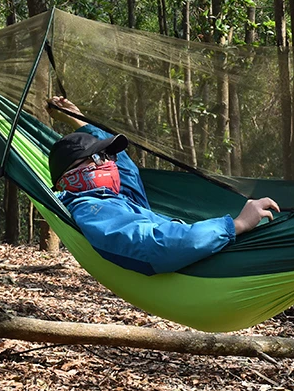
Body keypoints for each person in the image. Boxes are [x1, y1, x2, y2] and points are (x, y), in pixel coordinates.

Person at [46, 95, 279, 276]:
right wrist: (235, 225)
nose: (109, 163)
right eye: (99, 158)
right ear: (72, 176)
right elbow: (158, 245)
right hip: (191, 266)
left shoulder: (114, 196)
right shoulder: (94, 209)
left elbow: (126, 168)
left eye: (108, 155)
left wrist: (77, 119)